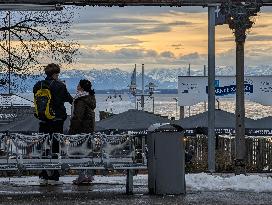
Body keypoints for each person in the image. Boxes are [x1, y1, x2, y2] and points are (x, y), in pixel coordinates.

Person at [33, 63, 73, 185]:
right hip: (56, 120)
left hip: (43, 119)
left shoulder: (37, 85)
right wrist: (62, 86)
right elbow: (69, 99)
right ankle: (54, 176)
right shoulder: (59, 85)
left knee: (44, 147)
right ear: (55, 74)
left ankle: (43, 175)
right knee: (55, 147)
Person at [69, 79, 96, 185]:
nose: (76, 87)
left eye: (78, 85)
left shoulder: (81, 100)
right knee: (87, 152)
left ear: (81, 87)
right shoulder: (90, 98)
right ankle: (89, 175)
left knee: (80, 153)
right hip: (89, 129)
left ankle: (82, 176)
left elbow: (78, 117)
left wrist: (72, 131)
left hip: (81, 130)